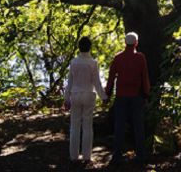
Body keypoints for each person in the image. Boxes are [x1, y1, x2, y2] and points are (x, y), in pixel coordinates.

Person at [106, 32, 151, 165]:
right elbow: (145, 77)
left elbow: (111, 77)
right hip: (136, 97)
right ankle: (141, 155)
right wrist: (147, 94)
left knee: (119, 126)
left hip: (121, 96)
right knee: (138, 126)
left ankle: (117, 155)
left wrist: (107, 94)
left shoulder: (118, 57)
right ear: (136, 43)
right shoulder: (140, 57)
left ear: (125, 43)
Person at [64, 36, 107, 164]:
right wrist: (103, 96)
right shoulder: (93, 63)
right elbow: (97, 82)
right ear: (90, 47)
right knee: (88, 126)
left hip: (75, 95)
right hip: (89, 95)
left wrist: (66, 98)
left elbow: (69, 82)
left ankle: (73, 156)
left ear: (79, 47)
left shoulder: (73, 62)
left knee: (75, 126)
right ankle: (87, 157)